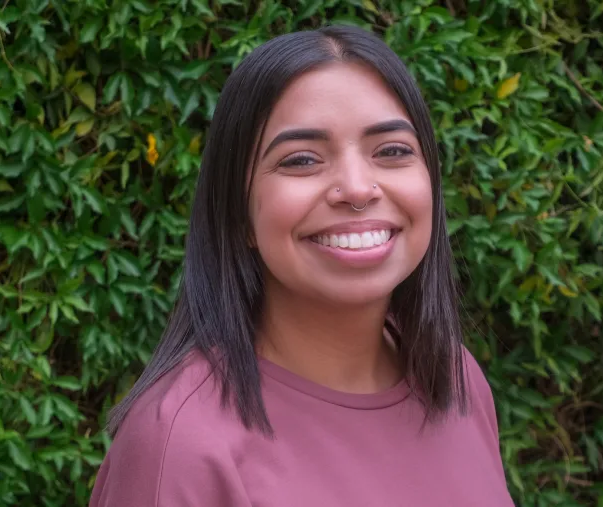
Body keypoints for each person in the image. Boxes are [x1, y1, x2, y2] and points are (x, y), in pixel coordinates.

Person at [89, 25, 514, 507]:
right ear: (239, 212)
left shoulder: (455, 379)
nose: (357, 188)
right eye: (302, 160)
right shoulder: (182, 443)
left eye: (392, 151)